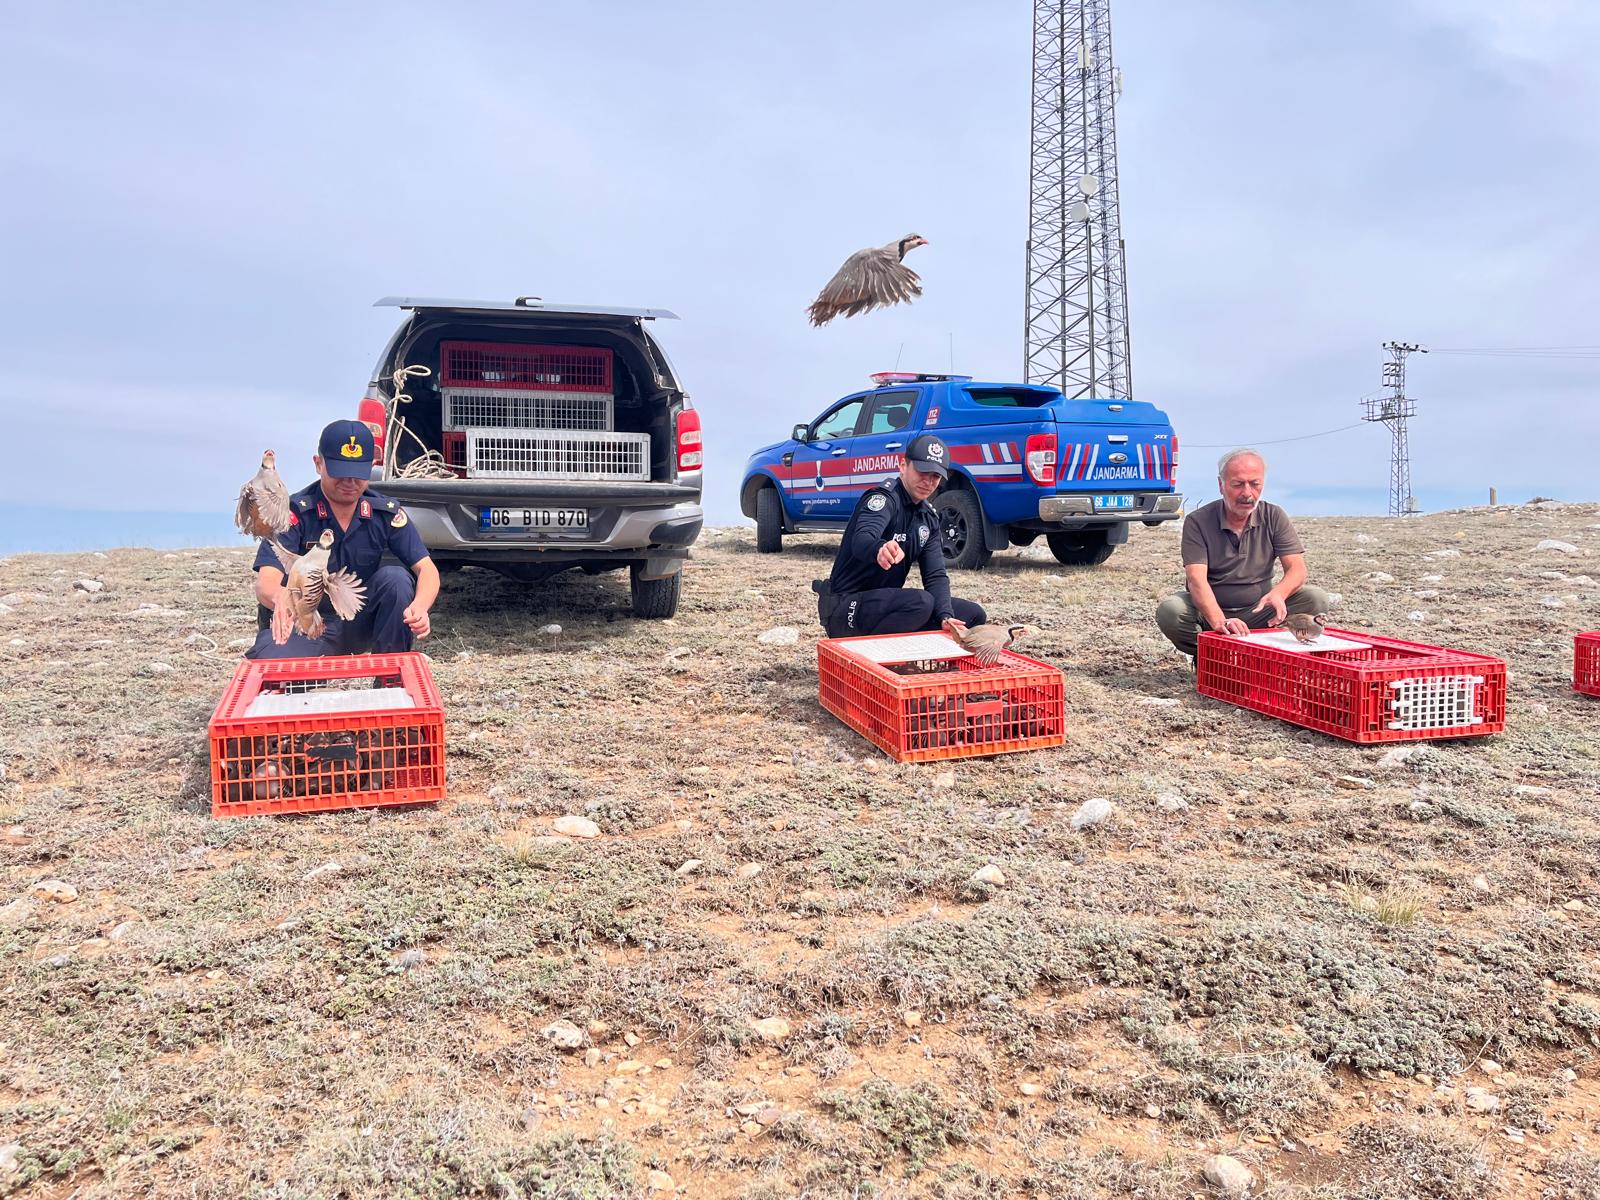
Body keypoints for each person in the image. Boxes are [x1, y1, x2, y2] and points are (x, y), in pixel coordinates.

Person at [247, 420, 440, 659]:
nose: (349, 482)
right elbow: (266, 583)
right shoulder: (293, 514)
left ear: (371, 465)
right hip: (306, 623)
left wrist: (420, 607)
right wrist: (283, 600)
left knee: (396, 579)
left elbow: (427, 569)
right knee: (267, 662)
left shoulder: (385, 512)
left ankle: (390, 682)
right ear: (318, 464)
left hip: (359, 619)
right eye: (340, 472)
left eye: (358, 474)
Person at [1155, 447, 1331, 659]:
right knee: (1171, 611)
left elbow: (1297, 569)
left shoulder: (1274, 515)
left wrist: (1278, 594)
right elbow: (1196, 581)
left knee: (1315, 597)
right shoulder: (1198, 521)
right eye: (1238, 484)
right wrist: (1221, 622)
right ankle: (1213, 656)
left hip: (1258, 611)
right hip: (1209, 613)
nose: (1247, 493)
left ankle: (1268, 657)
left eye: (1255, 484)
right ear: (1221, 485)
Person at [813, 434, 987, 638]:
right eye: (922, 471)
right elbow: (862, 538)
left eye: (935, 476)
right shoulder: (883, 499)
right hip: (845, 608)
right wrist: (879, 548)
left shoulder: (928, 518)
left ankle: (924, 661)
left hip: (883, 608)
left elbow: (935, 575)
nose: (928, 481)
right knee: (921, 603)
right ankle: (884, 656)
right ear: (903, 465)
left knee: (972, 614)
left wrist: (945, 616)